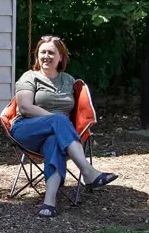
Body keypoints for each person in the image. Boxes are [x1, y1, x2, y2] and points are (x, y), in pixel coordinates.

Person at [11, 36, 118, 218]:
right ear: (37, 56)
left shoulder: (68, 80)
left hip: (58, 135)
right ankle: (87, 171)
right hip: (27, 129)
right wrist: (56, 120)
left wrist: (60, 123)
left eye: (51, 52)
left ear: (61, 57)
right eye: (42, 52)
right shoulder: (30, 77)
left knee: (54, 142)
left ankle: (49, 202)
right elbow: (25, 107)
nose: (46, 56)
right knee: (59, 120)